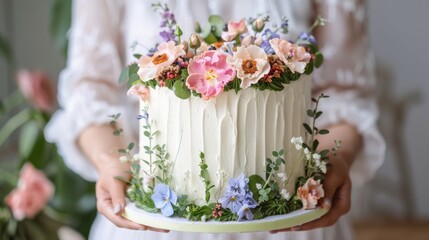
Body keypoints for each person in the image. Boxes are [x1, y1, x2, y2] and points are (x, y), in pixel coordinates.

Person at [46, 0, 385, 239]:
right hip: (158, 221)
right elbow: (89, 93)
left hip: (290, 222)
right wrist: (112, 163)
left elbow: (345, 95)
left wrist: (333, 161)